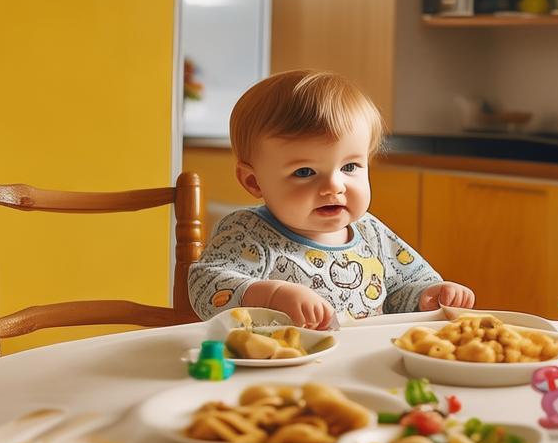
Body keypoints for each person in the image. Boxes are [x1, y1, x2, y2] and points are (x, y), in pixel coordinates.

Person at [188, 70, 475, 326]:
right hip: (283, 362)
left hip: (364, 360)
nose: (334, 187)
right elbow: (206, 286)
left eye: (349, 167)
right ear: (253, 181)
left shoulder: (371, 232)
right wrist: (271, 295)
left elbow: (402, 289)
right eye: (305, 172)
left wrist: (428, 295)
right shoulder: (248, 233)